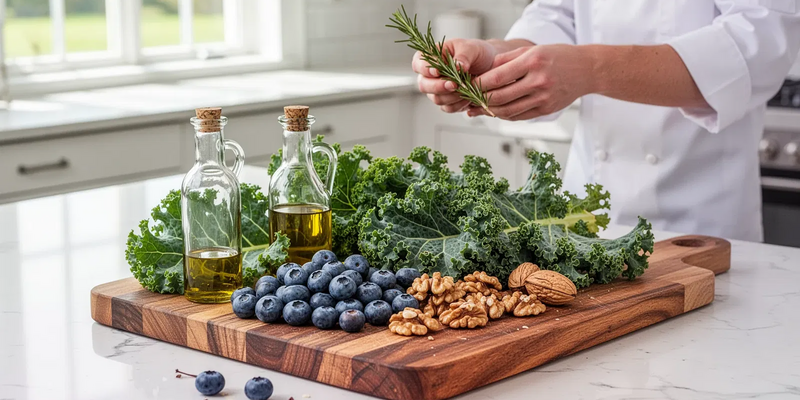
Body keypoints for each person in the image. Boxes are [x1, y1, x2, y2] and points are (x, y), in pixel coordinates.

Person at [413, 0, 800, 242]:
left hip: (701, 227)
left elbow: (754, 46)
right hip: (587, 217)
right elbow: (556, 16)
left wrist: (590, 69)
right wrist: (495, 57)